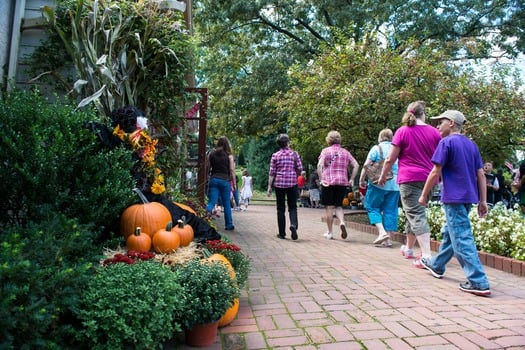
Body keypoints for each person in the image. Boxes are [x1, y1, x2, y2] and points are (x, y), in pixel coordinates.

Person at [418, 110, 491, 296]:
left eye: (440, 122)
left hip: (454, 198)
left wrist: (424, 195)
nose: (437, 126)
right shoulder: (471, 145)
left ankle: (478, 281)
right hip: (468, 198)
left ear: (451, 123)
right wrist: (483, 200)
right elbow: (481, 174)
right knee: (451, 234)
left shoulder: (446, 142)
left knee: (461, 238)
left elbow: (435, 172)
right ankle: (437, 265)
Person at [378, 101, 441, 268]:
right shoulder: (435, 133)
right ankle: (408, 248)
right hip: (429, 179)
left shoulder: (403, 131)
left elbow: (390, 158)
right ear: (423, 113)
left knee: (416, 214)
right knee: (413, 213)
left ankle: (426, 255)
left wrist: (383, 175)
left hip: (409, 179)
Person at [359, 129, 400, 247]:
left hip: (379, 183)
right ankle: (388, 240)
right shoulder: (397, 149)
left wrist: (362, 180)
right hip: (395, 184)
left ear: (380, 137)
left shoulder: (376, 148)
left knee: (372, 206)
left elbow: (366, 165)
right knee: (390, 210)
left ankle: (382, 232)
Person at [317, 130, 359, 240]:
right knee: (339, 206)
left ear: (328, 140)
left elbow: (320, 165)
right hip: (342, 182)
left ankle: (330, 232)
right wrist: (352, 179)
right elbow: (356, 165)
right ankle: (342, 222)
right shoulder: (345, 152)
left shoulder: (325, 151)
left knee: (329, 207)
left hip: (328, 182)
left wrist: (321, 179)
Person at [267, 134, 304, 240]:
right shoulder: (294, 154)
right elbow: (300, 168)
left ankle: (282, 233)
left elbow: (272, 172)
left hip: (279, 184)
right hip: (292, 183)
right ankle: (293, 225)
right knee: (293, 206)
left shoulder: (275, 155)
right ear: (288, 142)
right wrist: (294, 174)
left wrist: (269, 186)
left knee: (280, 208)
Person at [206, 136, 236, 231]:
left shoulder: (211, 154)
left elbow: (207, 167)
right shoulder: (229, 156)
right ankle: (229, 225)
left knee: (211, 202)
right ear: (227, 144)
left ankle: (203, 219)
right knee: (226, 204)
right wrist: (234, 183)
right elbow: (231, 170)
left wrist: (207, 177)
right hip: (225, 181)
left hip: (214, 179)